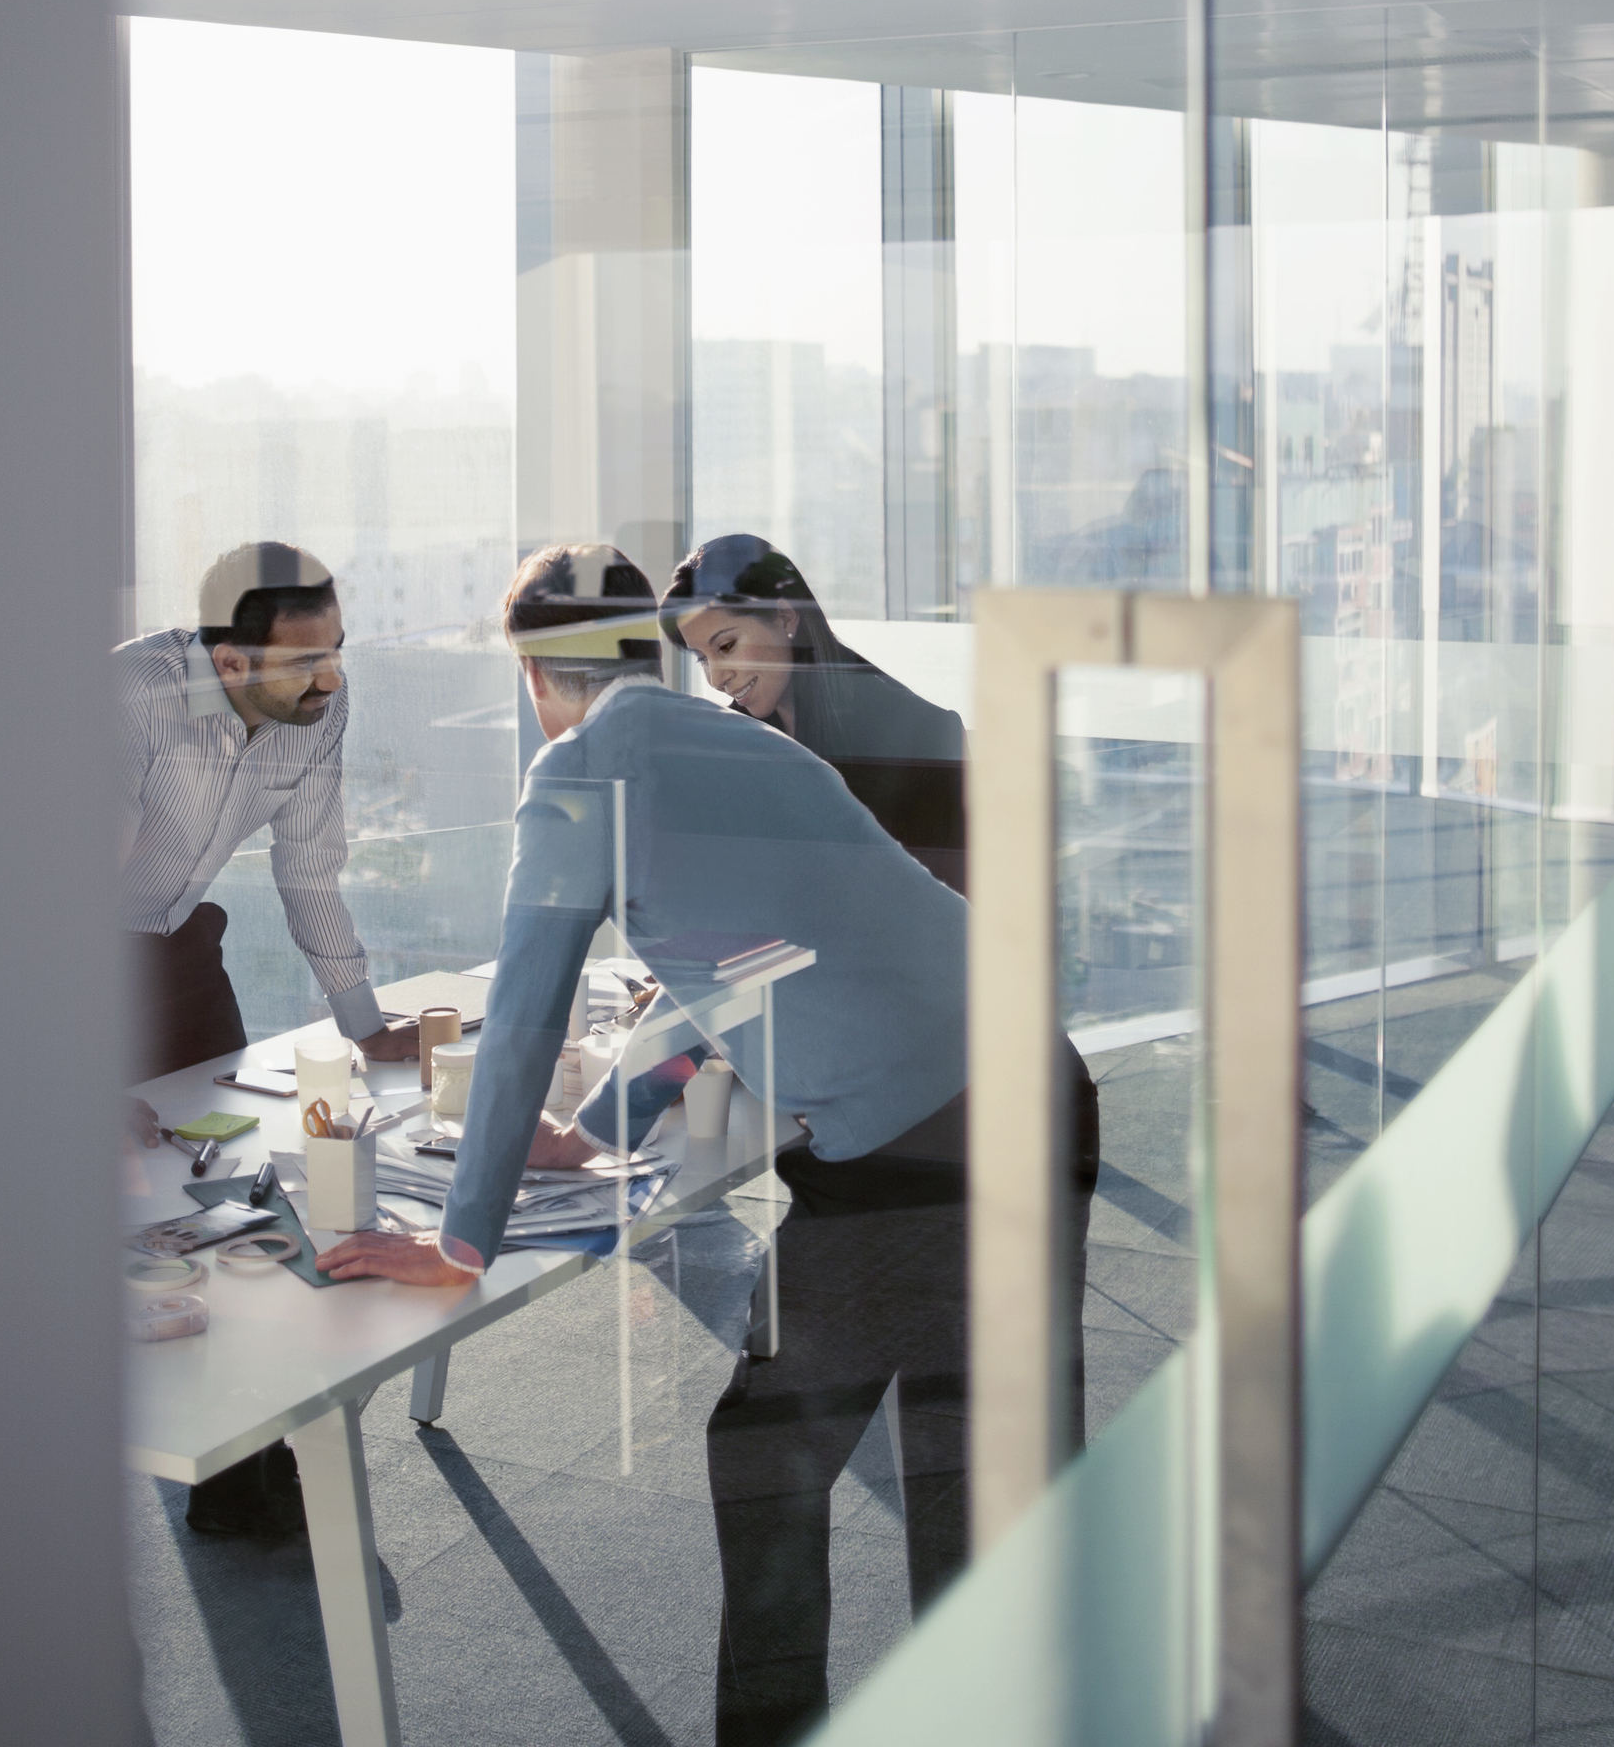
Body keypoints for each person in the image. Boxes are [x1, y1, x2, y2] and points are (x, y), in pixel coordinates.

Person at [318, 544, 1093, 1746]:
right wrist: (598, 1128)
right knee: (973, 1461)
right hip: (1041, 1087)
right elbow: (746, 964)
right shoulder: (750, 745)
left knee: (772, 1453)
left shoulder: (579, 771)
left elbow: (524, 1010)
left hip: (921, 1153)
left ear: (538, 671)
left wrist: (462, 1236)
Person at [119, 540, 416, 1545]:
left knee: (237, 1181)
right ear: (229, 660)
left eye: (336, 648)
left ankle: (243, 1464)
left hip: (177, 945)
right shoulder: (131, 699)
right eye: (303, 659)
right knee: (127, 1197)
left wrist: (365, 1021)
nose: (331, 677)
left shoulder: (314, 710)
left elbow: (312, 873)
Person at [660, 532, 969, 893]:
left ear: (786, 617)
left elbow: (950, 915)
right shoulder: (734, 740)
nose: (715, 678)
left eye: (726, 646)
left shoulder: (921, 734)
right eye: (702, 658)